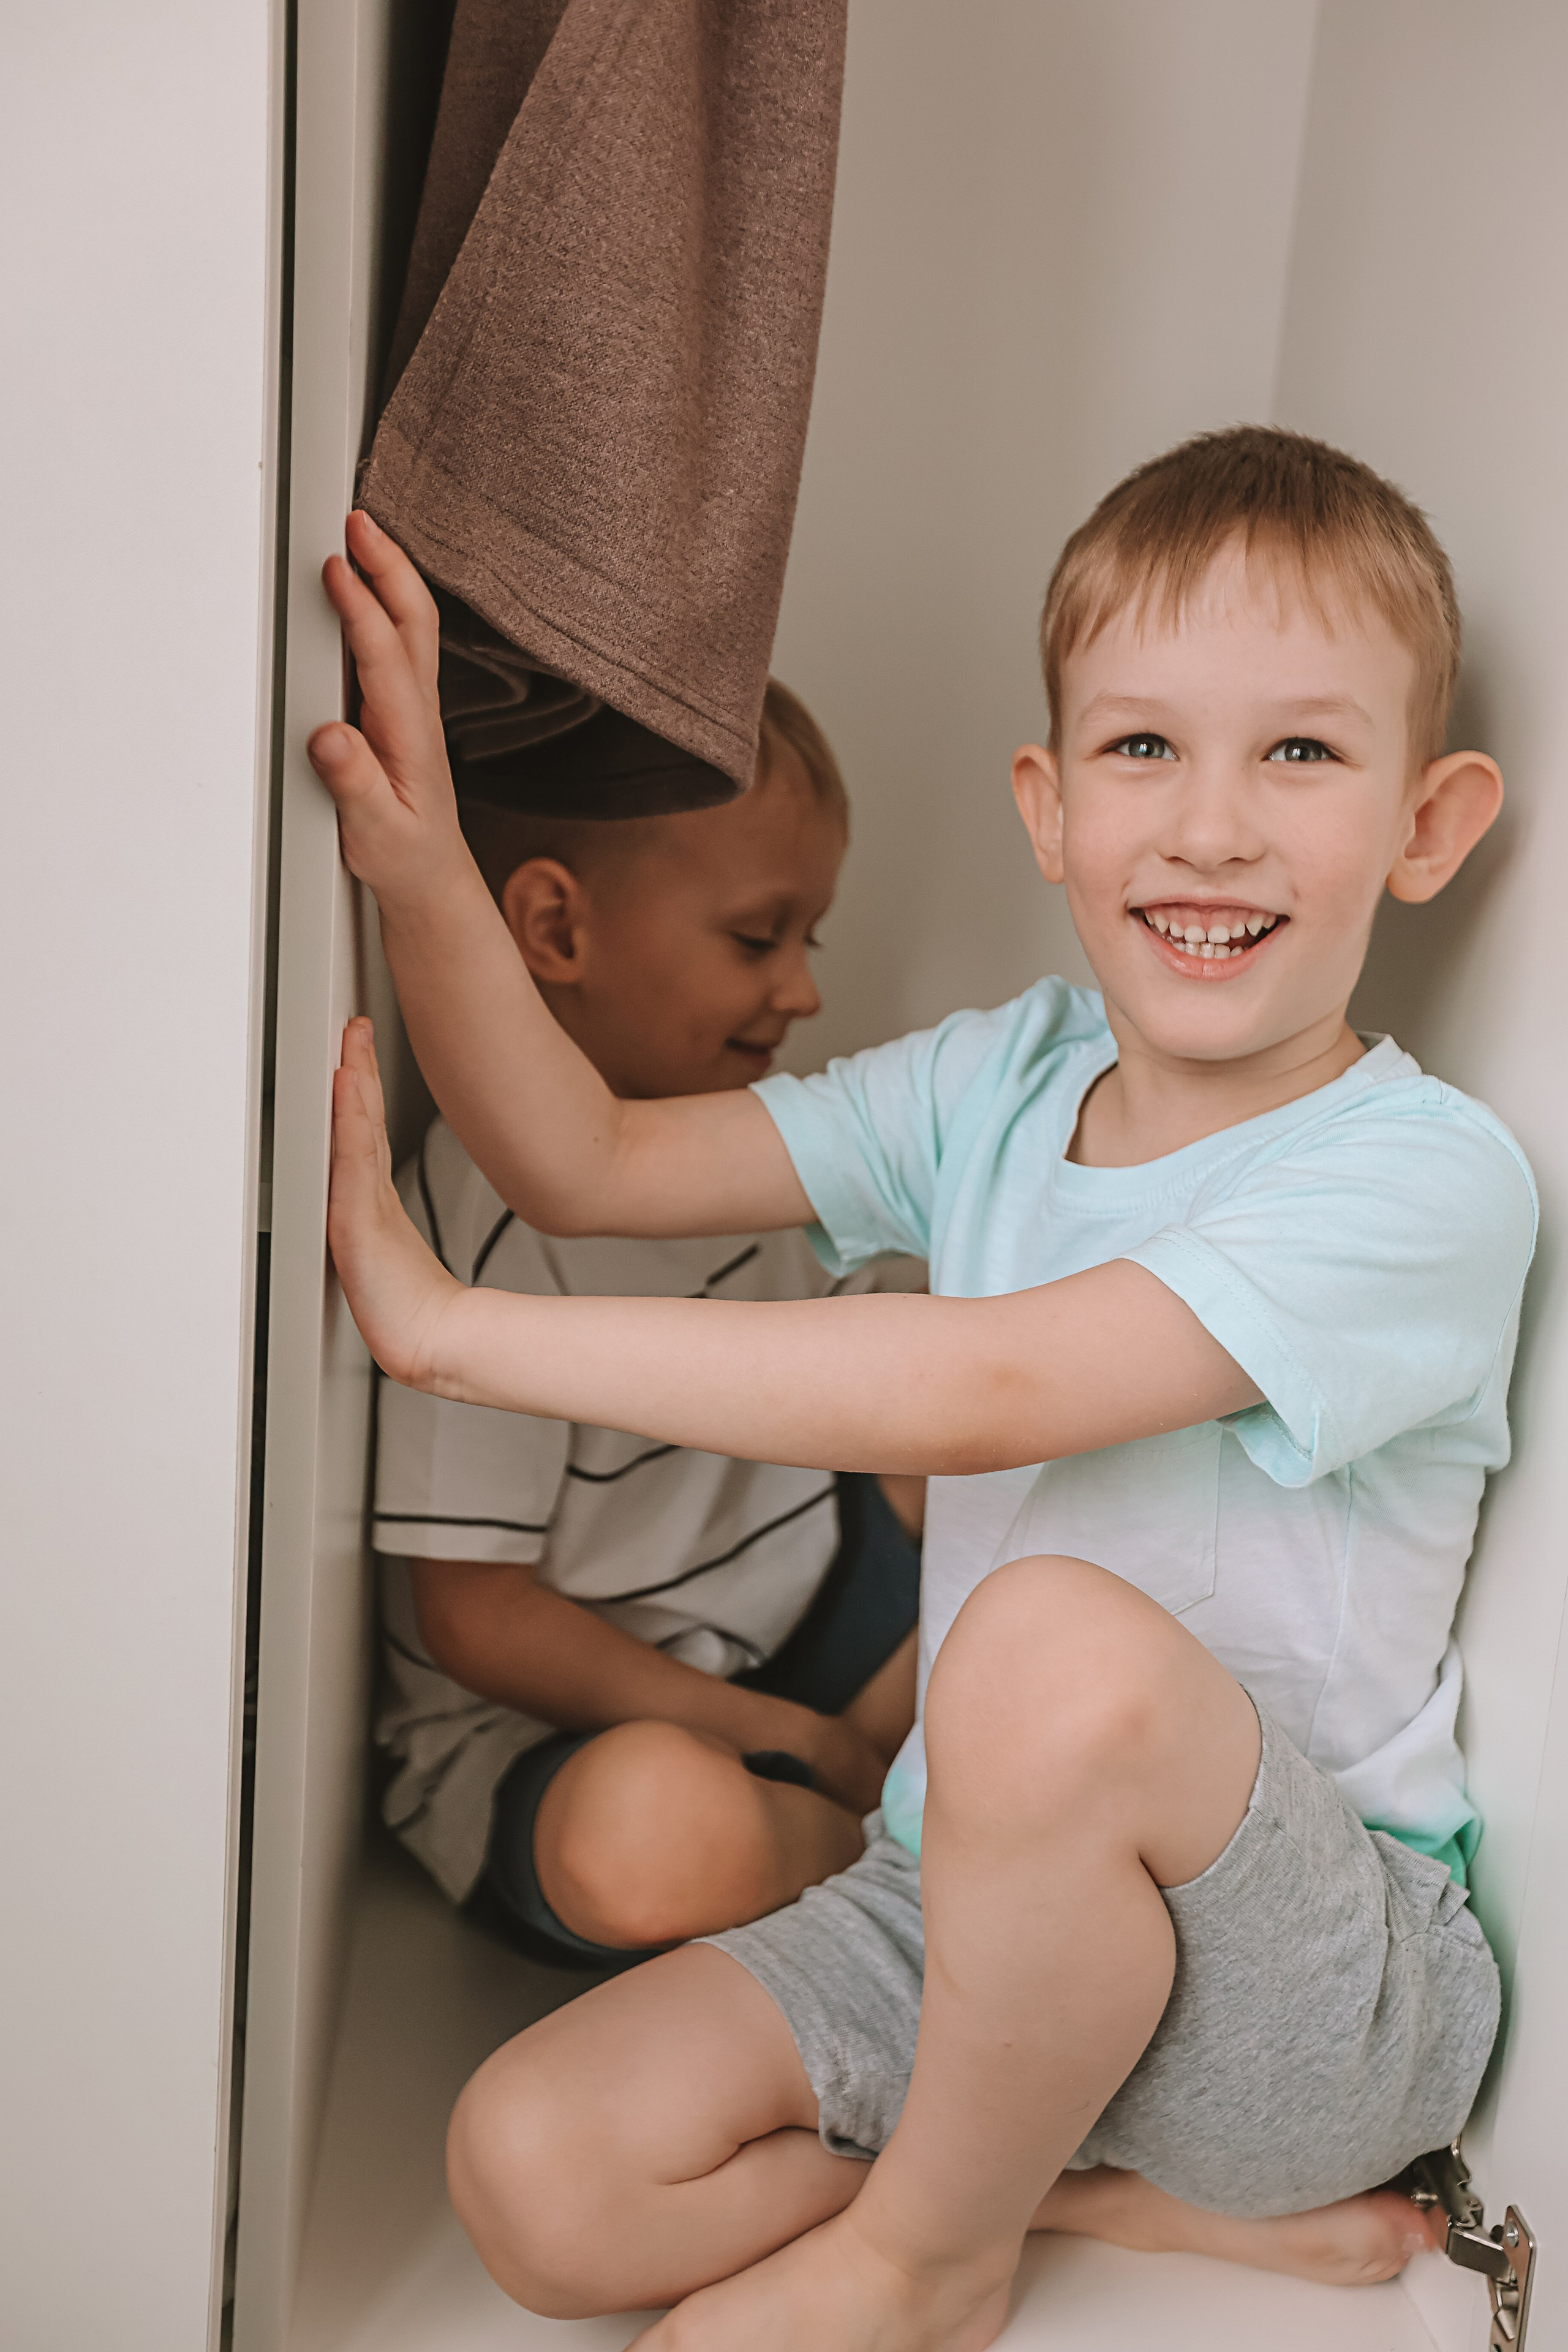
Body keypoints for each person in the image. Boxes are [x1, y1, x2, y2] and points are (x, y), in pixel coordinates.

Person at [309, 426, 1535, 2350]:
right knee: (534, 2168)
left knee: (1047, 1637)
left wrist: (454, 1331)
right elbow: (589, 1160)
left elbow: (990, 1386)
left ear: (1427, 824)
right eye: (1145, 747)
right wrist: (420, 864)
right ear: (1049, 805)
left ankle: (925, 2264)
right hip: (963, 1920)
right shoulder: (1005, 1080)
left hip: (1298, 1997)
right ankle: (1066, 2194)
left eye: (1300, 752)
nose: (1212, 826)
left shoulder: (1422, 1177)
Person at [372, 682, 924, 1966]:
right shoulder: (483, 1225)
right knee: (656, 1835)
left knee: (1002, 1399)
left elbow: (878, 1364)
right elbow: (477, 1620)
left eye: (808, 941)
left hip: (800, 1629)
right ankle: (881, 1853)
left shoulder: (736, 1139)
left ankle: (875, 1780)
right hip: (570, 1727)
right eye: (757, 938)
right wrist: (770, 1738)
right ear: (556, 929)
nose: (801, 991)